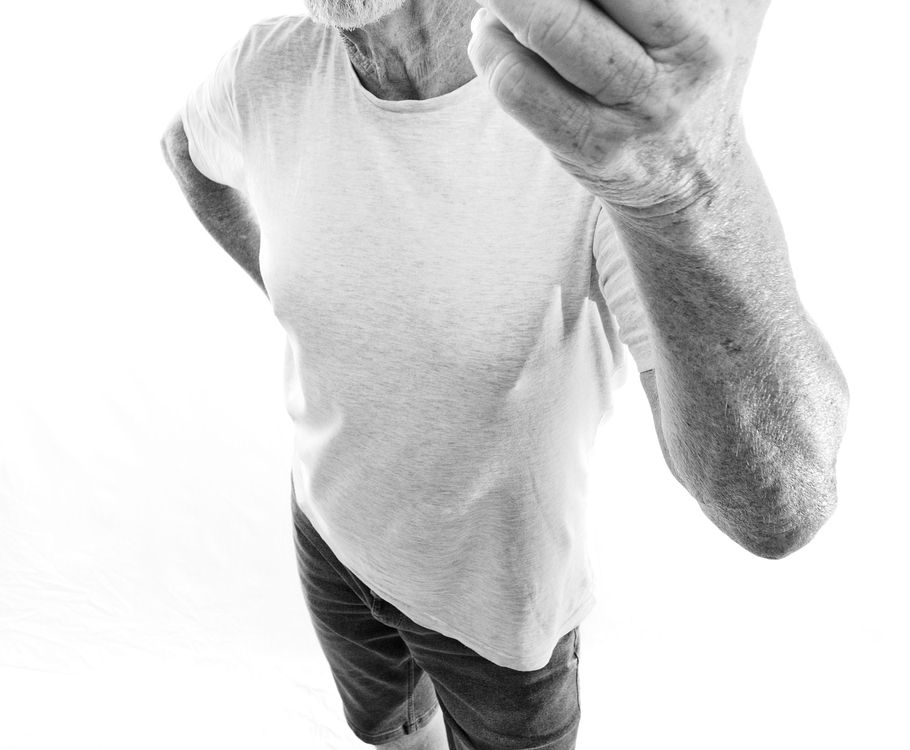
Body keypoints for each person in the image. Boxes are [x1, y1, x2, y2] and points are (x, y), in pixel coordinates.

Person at [160, 1, 850, 747]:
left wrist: (689, 185)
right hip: (328, 535)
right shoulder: (266, 66)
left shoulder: (592, 125)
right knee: (395, 736)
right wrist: (297, 294)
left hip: (498, 621)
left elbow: (779, 507)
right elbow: (186, 153)